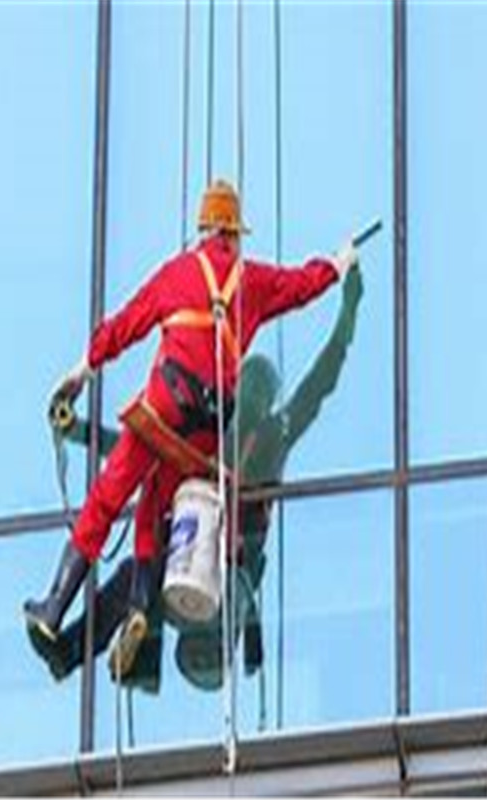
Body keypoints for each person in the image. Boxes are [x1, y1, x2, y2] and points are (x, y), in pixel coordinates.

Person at [23, 179, 361, 680]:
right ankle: (140, 606)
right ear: (234, 235)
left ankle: (54, 607)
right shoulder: (253, 281)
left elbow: (124, 327)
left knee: (108, 499)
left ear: (203, 231)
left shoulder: (177, 273)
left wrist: (80, 373)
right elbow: (300, 287)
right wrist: (336, 265)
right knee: (154, 502)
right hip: (208, 425)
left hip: (168, 401)